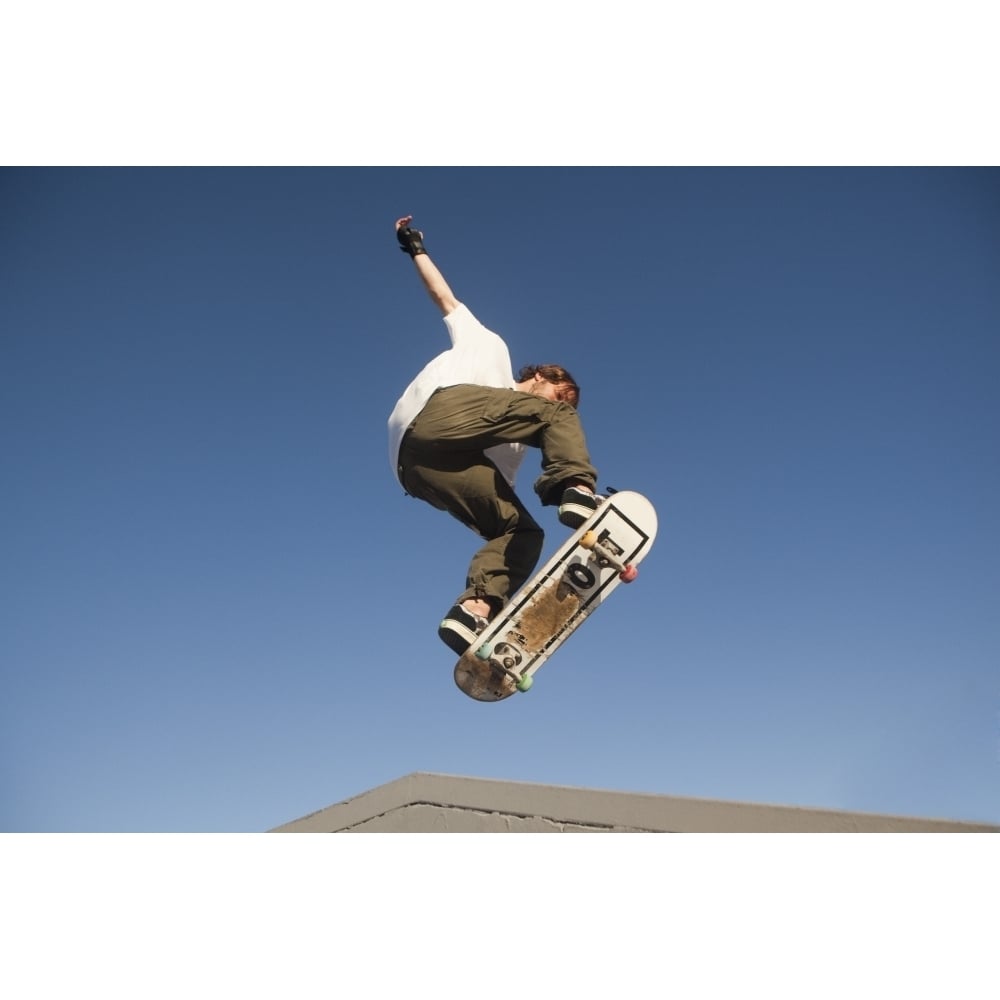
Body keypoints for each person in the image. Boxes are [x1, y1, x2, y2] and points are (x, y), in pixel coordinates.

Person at [388, 215, 600, 655]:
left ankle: (475, 611)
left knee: (521, 532)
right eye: (558, 394)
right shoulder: (491, 348)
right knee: (554, 423)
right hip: (437, 415)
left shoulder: (517, 442)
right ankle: (575, 487)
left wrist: (593, 542)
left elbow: (496, 508)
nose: (559, 405)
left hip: (417, 472)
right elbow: (444, 298)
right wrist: (415, 247)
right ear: (541, 375)